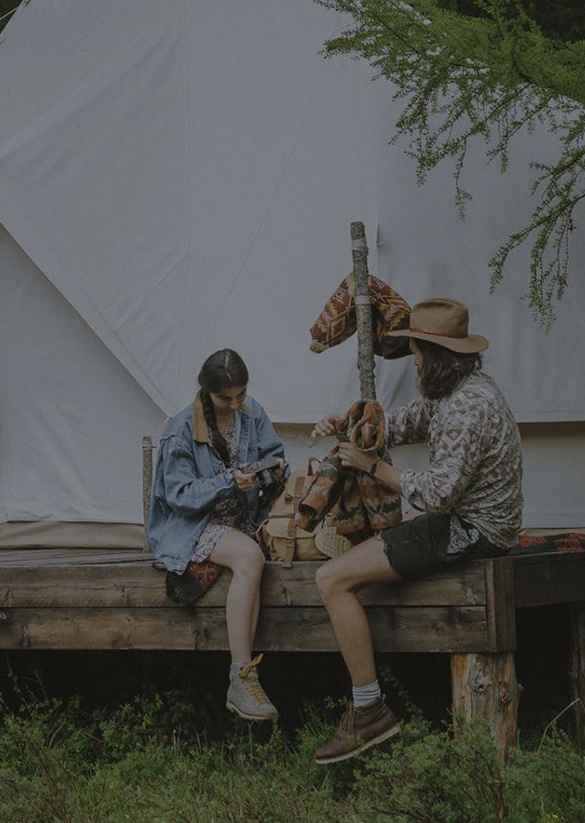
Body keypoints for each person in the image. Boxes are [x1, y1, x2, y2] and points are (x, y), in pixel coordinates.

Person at [308, 297, 522, 763]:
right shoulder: (458, 390)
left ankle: (369, 712)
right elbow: (403, 424)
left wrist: (369, 466)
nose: (415, 360)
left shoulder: (467, 407)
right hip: (469, 521)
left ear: (435, 355)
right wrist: (350, 424)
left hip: (471, 529)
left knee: (331, 580)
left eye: (418, 352)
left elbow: (437, 494)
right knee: (366, 553)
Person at [145, 348, 289, 722]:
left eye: (241, 394)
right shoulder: (180, 430)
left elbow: (274, 454)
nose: (236, 403)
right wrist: (227, 481)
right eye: (226, 398)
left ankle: (244, 678)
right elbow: (178, 498)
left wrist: (272, 470)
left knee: (267, 550)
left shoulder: (251, 411)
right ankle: (241, 675)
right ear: (207, 393)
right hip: (194, 524)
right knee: (249, 557)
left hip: (243, 517)